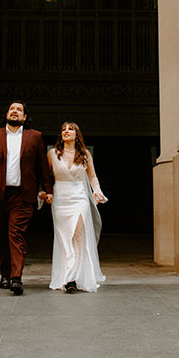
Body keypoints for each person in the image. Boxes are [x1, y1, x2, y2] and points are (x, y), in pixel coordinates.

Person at [0, 101, 54, 295]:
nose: (15, 112)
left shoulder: (35, 137)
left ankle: (16, 277)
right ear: (7, 114)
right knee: (1, 236)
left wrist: (48, 189)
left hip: (22, 195)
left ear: (24, 117)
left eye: (19, 110)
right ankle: (5, 274)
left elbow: (42, 165)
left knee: (16, 235)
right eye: (12, 109)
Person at [48, 121, 107, 293]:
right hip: (61, 199)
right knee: (64, 238)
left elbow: (93, 177)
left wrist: (97, 191)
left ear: (76, 134)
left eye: (70, 129)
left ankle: (72, 278)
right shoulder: (53, 154)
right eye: (63, 129)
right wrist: (43, 193)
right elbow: (46, 177)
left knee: (78, 236)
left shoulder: (85, 154)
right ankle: (66, 274)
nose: (66, 131)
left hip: (79, 198)